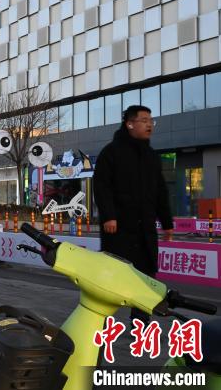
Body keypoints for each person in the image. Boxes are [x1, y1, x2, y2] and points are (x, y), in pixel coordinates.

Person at [93, 105, 174, 324]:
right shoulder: (112, 152)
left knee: (146, 276)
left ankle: (140, 322)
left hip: (145, 229)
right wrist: (109, 215)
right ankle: (98, 317)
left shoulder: (151, 156)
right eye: (144, 120)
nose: (149, 125)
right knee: (114, 275)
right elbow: (101, 186)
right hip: (119, 228)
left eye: (151, 121)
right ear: (130, 124)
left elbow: (160, 191)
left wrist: (167, 222)